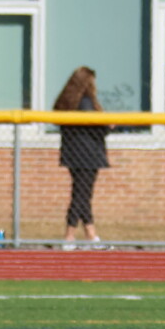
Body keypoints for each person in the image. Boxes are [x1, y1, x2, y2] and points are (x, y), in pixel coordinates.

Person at [55, 66, 108, 246]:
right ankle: (69, 237)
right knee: (81, 196)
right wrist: (109, 126)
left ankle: (91, 235)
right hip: (88, 154)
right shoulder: (86, 103)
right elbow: (97, 129)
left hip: (73, 153)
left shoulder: (66, 102)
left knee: (82, 194)